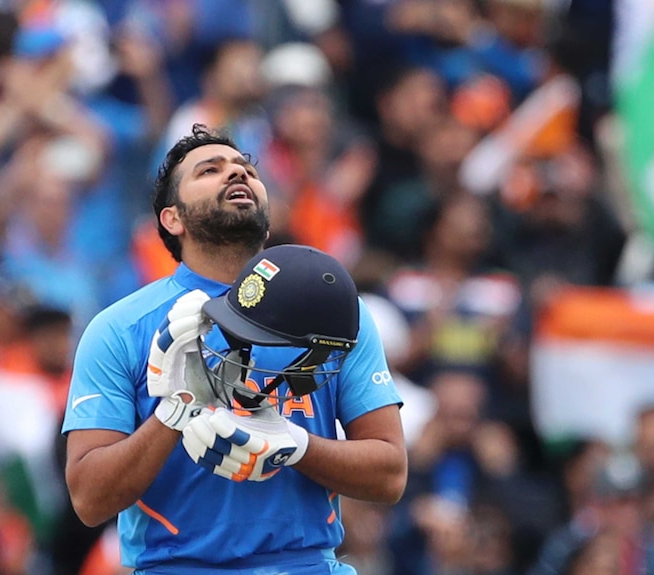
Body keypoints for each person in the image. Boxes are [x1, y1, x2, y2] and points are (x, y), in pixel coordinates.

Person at [61, 123, 407, 573]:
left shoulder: (336, 311)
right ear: (172, 218)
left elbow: (390, 473)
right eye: (210, 170)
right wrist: (176, 413)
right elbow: (89, 499)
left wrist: (297, 445)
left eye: (247, 169)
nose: (237, 174)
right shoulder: (120, 328)